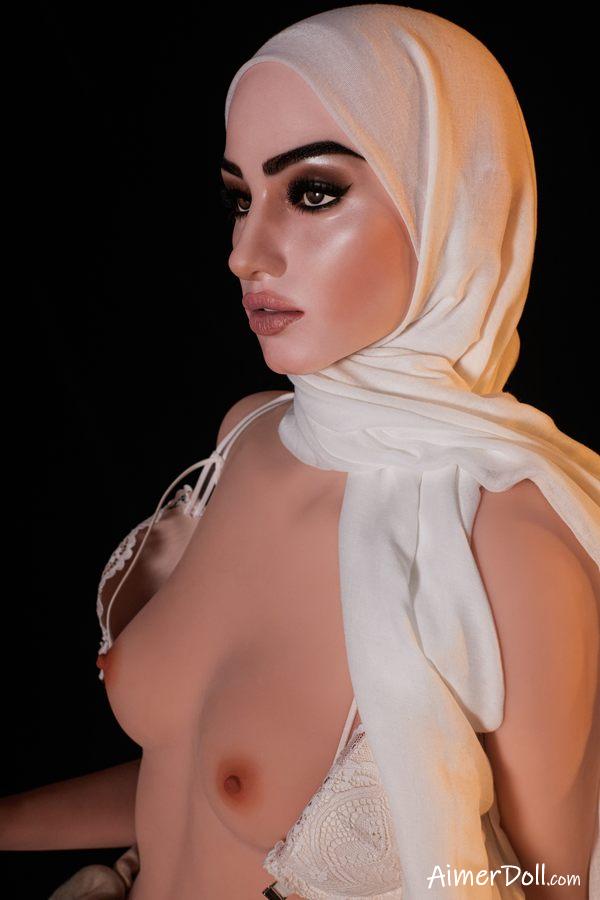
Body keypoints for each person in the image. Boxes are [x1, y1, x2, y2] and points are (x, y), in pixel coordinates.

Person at [3, 6, 599, 899]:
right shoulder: (249, 438)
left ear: (450, 203)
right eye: (240, 197)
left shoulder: (512, 546)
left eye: (313, 191)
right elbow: (198, 781)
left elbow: (551, 883)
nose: (245, 254)